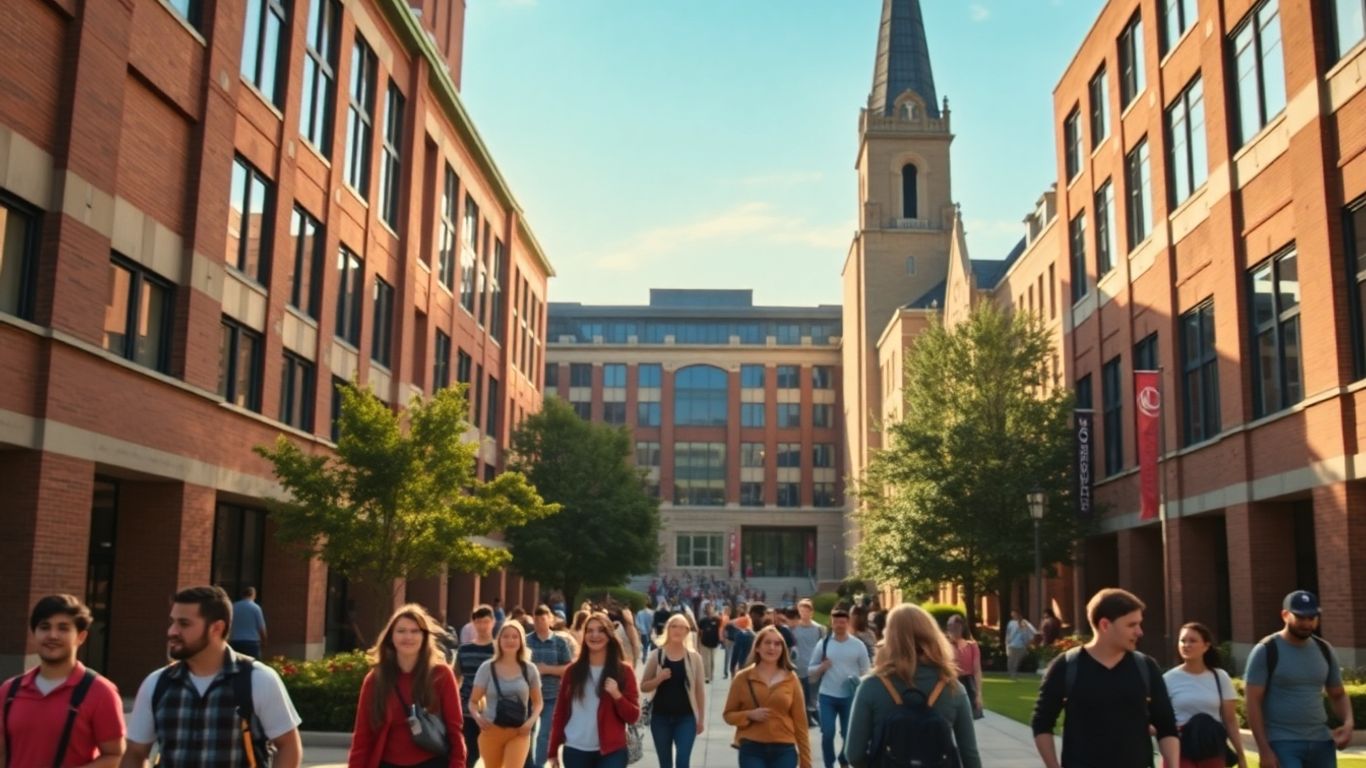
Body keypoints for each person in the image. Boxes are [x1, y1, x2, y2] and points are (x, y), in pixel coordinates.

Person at [120, 586, 302, 768]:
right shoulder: (157, 683)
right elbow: (135, 753)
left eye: (184, 624)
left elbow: (288, 747)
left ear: (216, 628)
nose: (172, 631)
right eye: (172, 622)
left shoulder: (258, 679)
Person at [1031, 588, 1178, 768]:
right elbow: (1041, 723)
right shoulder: (1067, 666)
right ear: (1105, 625)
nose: (1140, 632)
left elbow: (1166, 726)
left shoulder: (1146, 667)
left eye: (1139, 624)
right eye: (1131, 625)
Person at [844, 604, 981, 768]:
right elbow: (970, 755)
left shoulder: (872, 686)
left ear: (890, 638)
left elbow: (853, 754)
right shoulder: (953, 688)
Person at [0, 595, 124, 767]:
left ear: (81, 637)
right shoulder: (9, 690)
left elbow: (116, 756)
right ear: (34, 633)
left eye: (63, 628)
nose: (52, 635)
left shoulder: (100, 692)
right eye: (45, 627)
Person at [347, 604, 467, 768]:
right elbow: (362, 736)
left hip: (432, 762)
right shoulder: (376, 680)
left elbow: (455, 731)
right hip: (387, 763)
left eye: (415, 631)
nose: (408, 637)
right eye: (401, 631)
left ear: (425, 636)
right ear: (391, 637)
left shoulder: (441, 675)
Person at [1244, 590, 1353, 768]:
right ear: (1285, 615)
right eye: (1301, 617)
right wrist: (1264, 750)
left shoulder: (1324, 649)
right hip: (1282, 742)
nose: (1307, 623)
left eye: (1312, 618)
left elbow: (1338, 694)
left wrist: (1348, 724)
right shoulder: (1266, 650)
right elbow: (1252, 702)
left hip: (1322, 742)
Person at [547, 612, 641, 768]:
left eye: (600, 630)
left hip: (612, 751)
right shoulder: (572, 671)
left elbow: (633, 716)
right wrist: (552, 752)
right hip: (575, 749)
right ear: (584, 636)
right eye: (589, 631)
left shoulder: (624, 672)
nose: (594, 635)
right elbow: (560, 713)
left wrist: (617, 695)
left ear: (609, 635)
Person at [723, 625, 812, 768]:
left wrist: (806, 761)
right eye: (767, 643)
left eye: (777, 644)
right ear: (757, 647)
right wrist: (749, 714)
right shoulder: (742, 678)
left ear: (783, 649)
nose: (772, 648)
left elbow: (801, 723)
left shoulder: (791, 678)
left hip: (784, 748)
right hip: (752, 748)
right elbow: (728, 715)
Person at [1164, 622, 1246, 768]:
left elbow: (1230, 721)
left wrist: (1240, 755)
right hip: (1181, 747)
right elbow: (1161, 718)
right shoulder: (1168, 679)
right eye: (1183, 641)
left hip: (1211, 746)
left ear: (1206, 646)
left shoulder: (1220, 677)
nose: (1186, 645)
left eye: (1192, 641)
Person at [470, 621, 542, 768]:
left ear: (521, 641)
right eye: (506, 636)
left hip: (519, 732)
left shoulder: (530, 669)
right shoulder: (487, 668)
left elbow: (538, 703)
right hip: (491, 731)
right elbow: (473, 701)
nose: (510, 640)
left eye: (515, 637)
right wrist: (478, 718)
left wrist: (530, 723)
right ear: (499, 640)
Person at [808, 608, 870, 768]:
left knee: (847, 733)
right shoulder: (824, 644)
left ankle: (844, 760)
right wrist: (822, 667)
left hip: (850, 696)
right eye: (836, 622)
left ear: (848, 623)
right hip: (827, 695)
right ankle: (829, 764)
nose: (839, 625)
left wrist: (858, 682)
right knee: (827, 733)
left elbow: (866, 671)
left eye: (843, 622)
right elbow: (810, 670)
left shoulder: (858, 645)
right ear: (831, 623)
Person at [641, 614, 706, 768]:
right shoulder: (657, 655)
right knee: (665, 764)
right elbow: (643, 686)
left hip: (686, 719)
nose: (677, 630)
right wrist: (659, 679)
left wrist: (700, 720)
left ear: (687, 631)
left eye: (682, 627)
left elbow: (699, 691)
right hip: (660, 718)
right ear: (667, 630)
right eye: (673, 626)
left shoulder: (694, 658)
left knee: (683, 761)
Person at [527, 605, 573, 768]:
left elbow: (568, 668)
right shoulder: (526, 640)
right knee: (527, 733)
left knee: (544, 734)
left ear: (550, 620)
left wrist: (547, 669)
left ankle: (540, 765)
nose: (539, 622)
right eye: (536, 619)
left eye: (543, 619)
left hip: (551, 696)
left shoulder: (560, 642)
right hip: (528, 697)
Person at [455, 605, 497, 767]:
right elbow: (456, 677)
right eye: (478, 622)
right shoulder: (464, 650)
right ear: (473, 623)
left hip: (493, 710)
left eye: (486, 622)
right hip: (467, 709)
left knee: (492, 755)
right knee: (469, 754)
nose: (482, 626)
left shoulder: (498, 650)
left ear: (493, 622)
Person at [791, 599, 827, 728]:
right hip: (799, 665)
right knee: (801, 694)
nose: (804, 614)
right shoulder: (794, 628)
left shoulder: (819, 629)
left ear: (811, 612)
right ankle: (806, 718)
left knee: (813, 694)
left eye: (806, 611)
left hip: (814, 666)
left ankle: (816, 716)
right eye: (801, 611)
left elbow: (824, 647)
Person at [945, 614, 984, 720]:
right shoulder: (945, 645)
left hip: (968, 683)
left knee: (968, 717)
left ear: (961, 627)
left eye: (955, 626)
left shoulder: (972, 645)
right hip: (951, 682)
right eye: (949, 625)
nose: (952, 629)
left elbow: (977, 670)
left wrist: (979, 694)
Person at [229, 586, 268, 659]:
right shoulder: (256, 608)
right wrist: (264, 641)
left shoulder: (234, 606)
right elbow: (261, 627)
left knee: (237, 665)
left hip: (236, 641)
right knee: (253, 665)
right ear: (253, 595)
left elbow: (229, 624)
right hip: (252, 642)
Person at [1005, 609, 1037, 679]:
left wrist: (1028, 641)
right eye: (1012, 614)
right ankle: (1012, 674)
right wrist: (1007, 643)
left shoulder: (1025, 623)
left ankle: (1014, 674)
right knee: (1010, 661)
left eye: (1015, 614)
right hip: (1012, 645)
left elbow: (1033, 631)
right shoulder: (1011, 623)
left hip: (1021, 645)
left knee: (1017, 661)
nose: (1013, 615)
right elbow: (1008, 634)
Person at [696, 604, 722, 685]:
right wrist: (698, 642)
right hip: (704, 642)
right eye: (708, 609)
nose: (710, 610)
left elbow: (721, 628)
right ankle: (706, 677)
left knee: (712, 661)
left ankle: (711, 676)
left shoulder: (717, 620)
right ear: (706, 610)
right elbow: (699, 632)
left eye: (711, 608)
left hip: (714, 643)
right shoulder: (702, 620)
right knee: (706, 661)